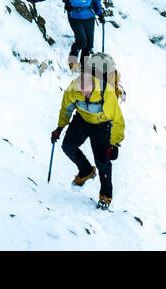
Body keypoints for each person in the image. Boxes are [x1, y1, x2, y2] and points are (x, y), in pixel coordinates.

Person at [50, 60, 125, 209]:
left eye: (88, 92)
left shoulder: (106, 93)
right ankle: (85, 170)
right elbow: (66, 109)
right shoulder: (72, 90)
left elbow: (118, 121)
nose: (85, 94)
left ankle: (105, 196)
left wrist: (114, 144)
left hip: (102, 125)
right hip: (82, 119)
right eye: (82, 91)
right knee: (68, 146)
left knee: (102, 161)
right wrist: (59, 127)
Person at [25, 0, 105, 70]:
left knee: (89, 45)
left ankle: (83, 66)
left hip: (89, 17)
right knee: (82, 41)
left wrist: (100, 13)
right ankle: (72, 60)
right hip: (75, 17)